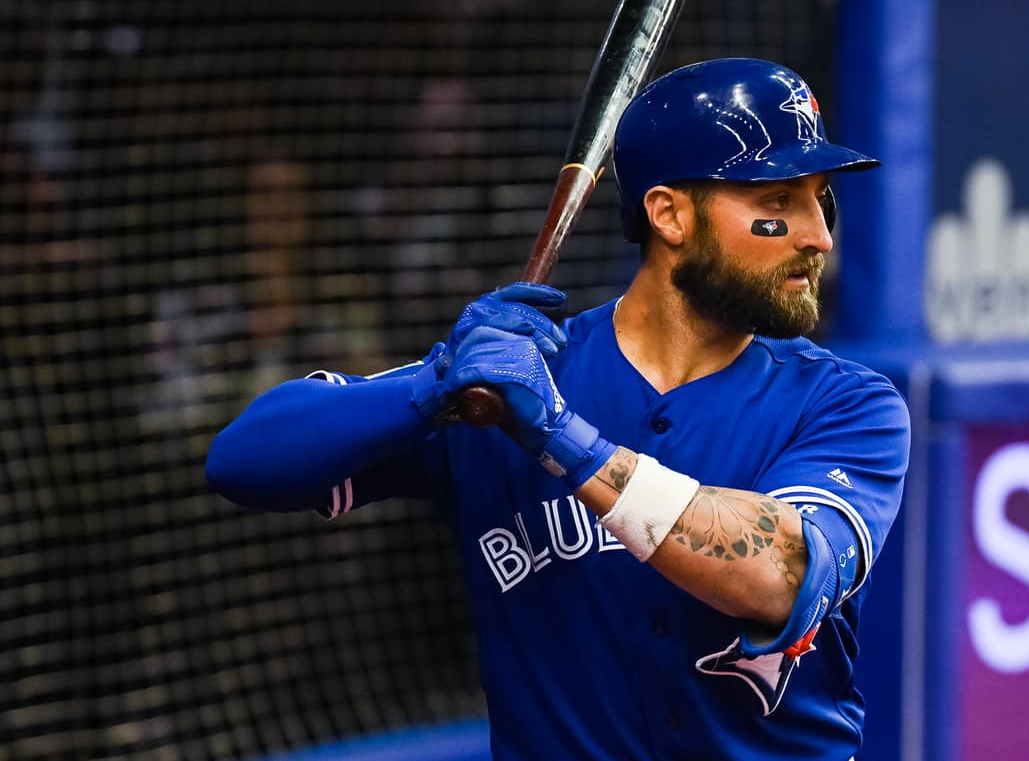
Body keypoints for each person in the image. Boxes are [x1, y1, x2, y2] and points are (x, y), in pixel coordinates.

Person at [206, 58, 910, 760]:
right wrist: (433, 385)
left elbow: (778, 575)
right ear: (668, 214)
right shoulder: (506, 388)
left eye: (822, 201)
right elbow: (242, 462)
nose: (818, 234)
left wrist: (558, 435)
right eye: (778, 203)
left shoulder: (850, 406)